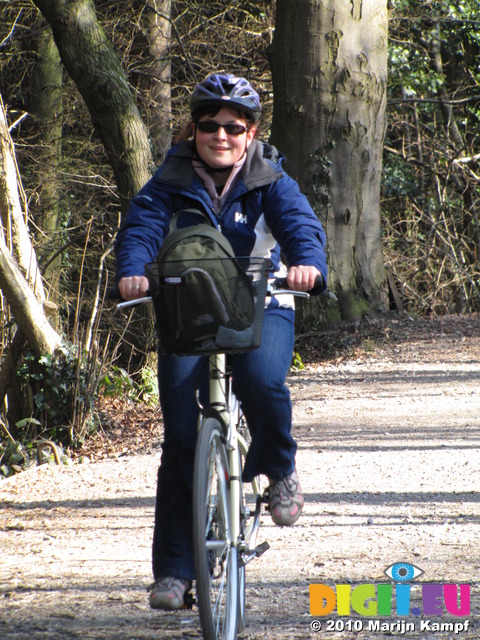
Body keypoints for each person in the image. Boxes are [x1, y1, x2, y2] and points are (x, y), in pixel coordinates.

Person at [115, 73, 328, 611]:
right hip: (187, 311)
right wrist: (135, 269)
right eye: (210, 125)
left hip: (263, 304)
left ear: (251, 132)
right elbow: (141, 227)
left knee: (261, 379)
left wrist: (308, 265)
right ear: (195, 129)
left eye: (234, 127)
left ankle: (278, 466)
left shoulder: (270, 180)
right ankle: (174, 573)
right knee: (182, 438)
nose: (221, 135)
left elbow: (301, 226)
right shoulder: (169, 180)